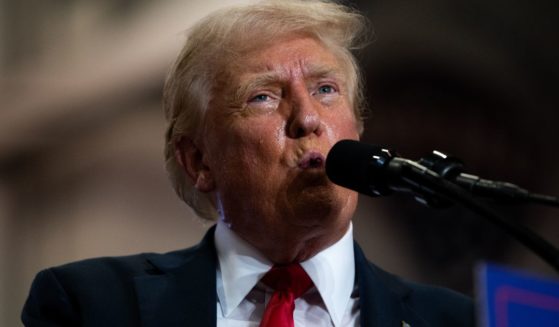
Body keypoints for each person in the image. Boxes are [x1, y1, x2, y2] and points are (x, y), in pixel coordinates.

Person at [22, 1, 474, 326]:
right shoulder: (92, 305)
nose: (308, 118)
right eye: (263, 97)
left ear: (357, 128)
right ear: (199, 160)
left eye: (325, 90)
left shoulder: (456, 319)